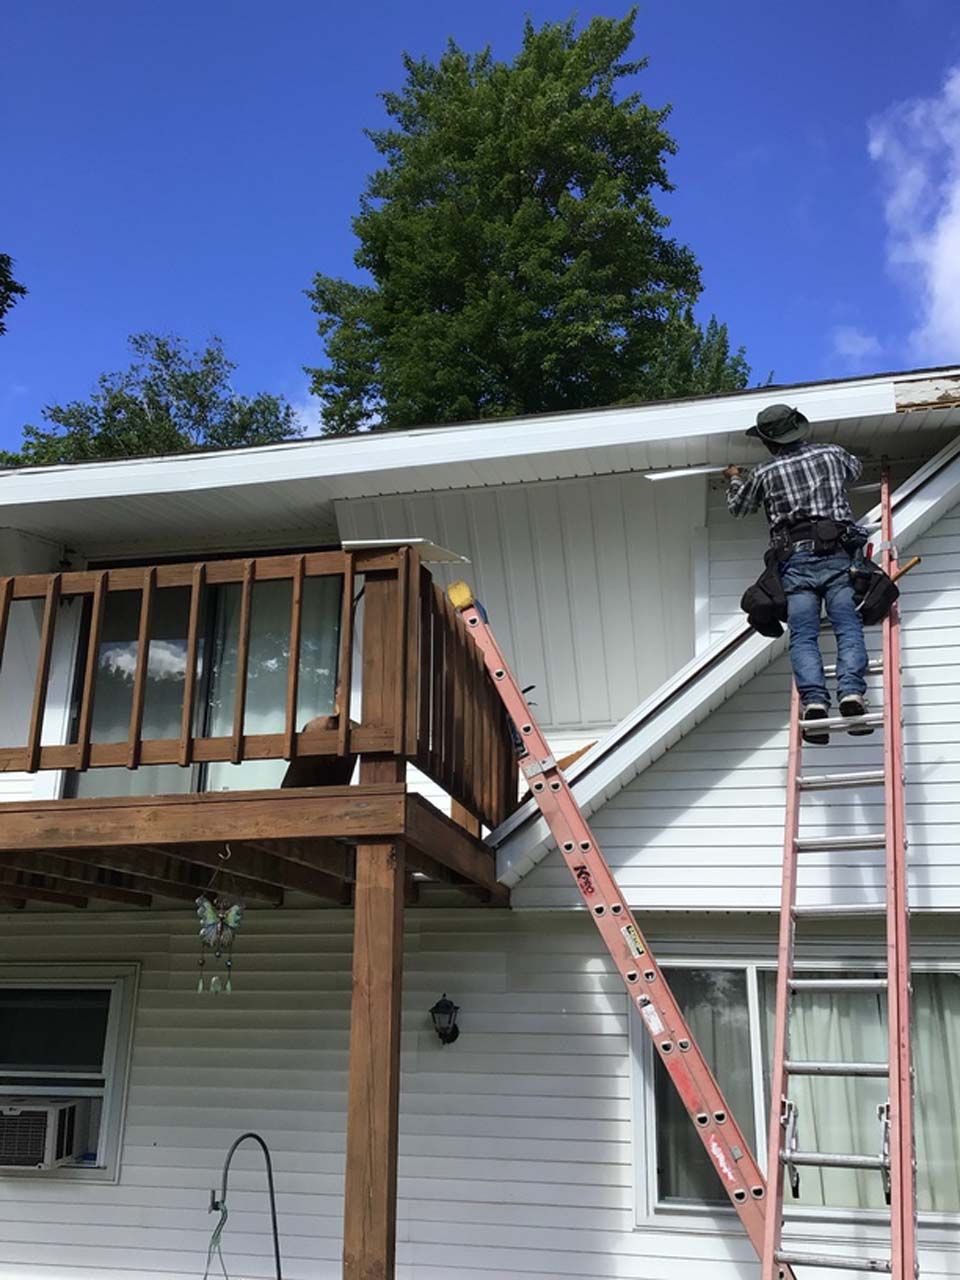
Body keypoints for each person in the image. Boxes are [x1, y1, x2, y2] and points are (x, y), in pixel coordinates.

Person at [724, 403, 870, 745]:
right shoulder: (832, 454)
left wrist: (734, 479)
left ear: (768, 442)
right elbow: (855, 470)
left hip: (795, 563)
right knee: (848, 626)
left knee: (804, 636)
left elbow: (738, 507)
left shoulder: (763, 473)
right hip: (837, 556)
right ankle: (851, 694)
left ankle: (815, 700)